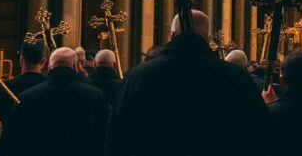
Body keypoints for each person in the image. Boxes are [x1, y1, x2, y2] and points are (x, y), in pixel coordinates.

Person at [109, 10, 271, 155]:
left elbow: (117, 135)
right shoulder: (236, 77)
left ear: (171, 35)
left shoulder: (138, 77)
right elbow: (259, 134)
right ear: (208, 39)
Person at [2, 47, 108, 156]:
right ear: (76, 66)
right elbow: (104, 136)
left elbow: (15, 139)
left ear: (49, 67)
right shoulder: (95, 96)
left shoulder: (27, 97)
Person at [0, 41, 45, 155]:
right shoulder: (50, 89)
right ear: (43, 61)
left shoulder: (4, 89)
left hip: (11, 149)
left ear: (21, 60)